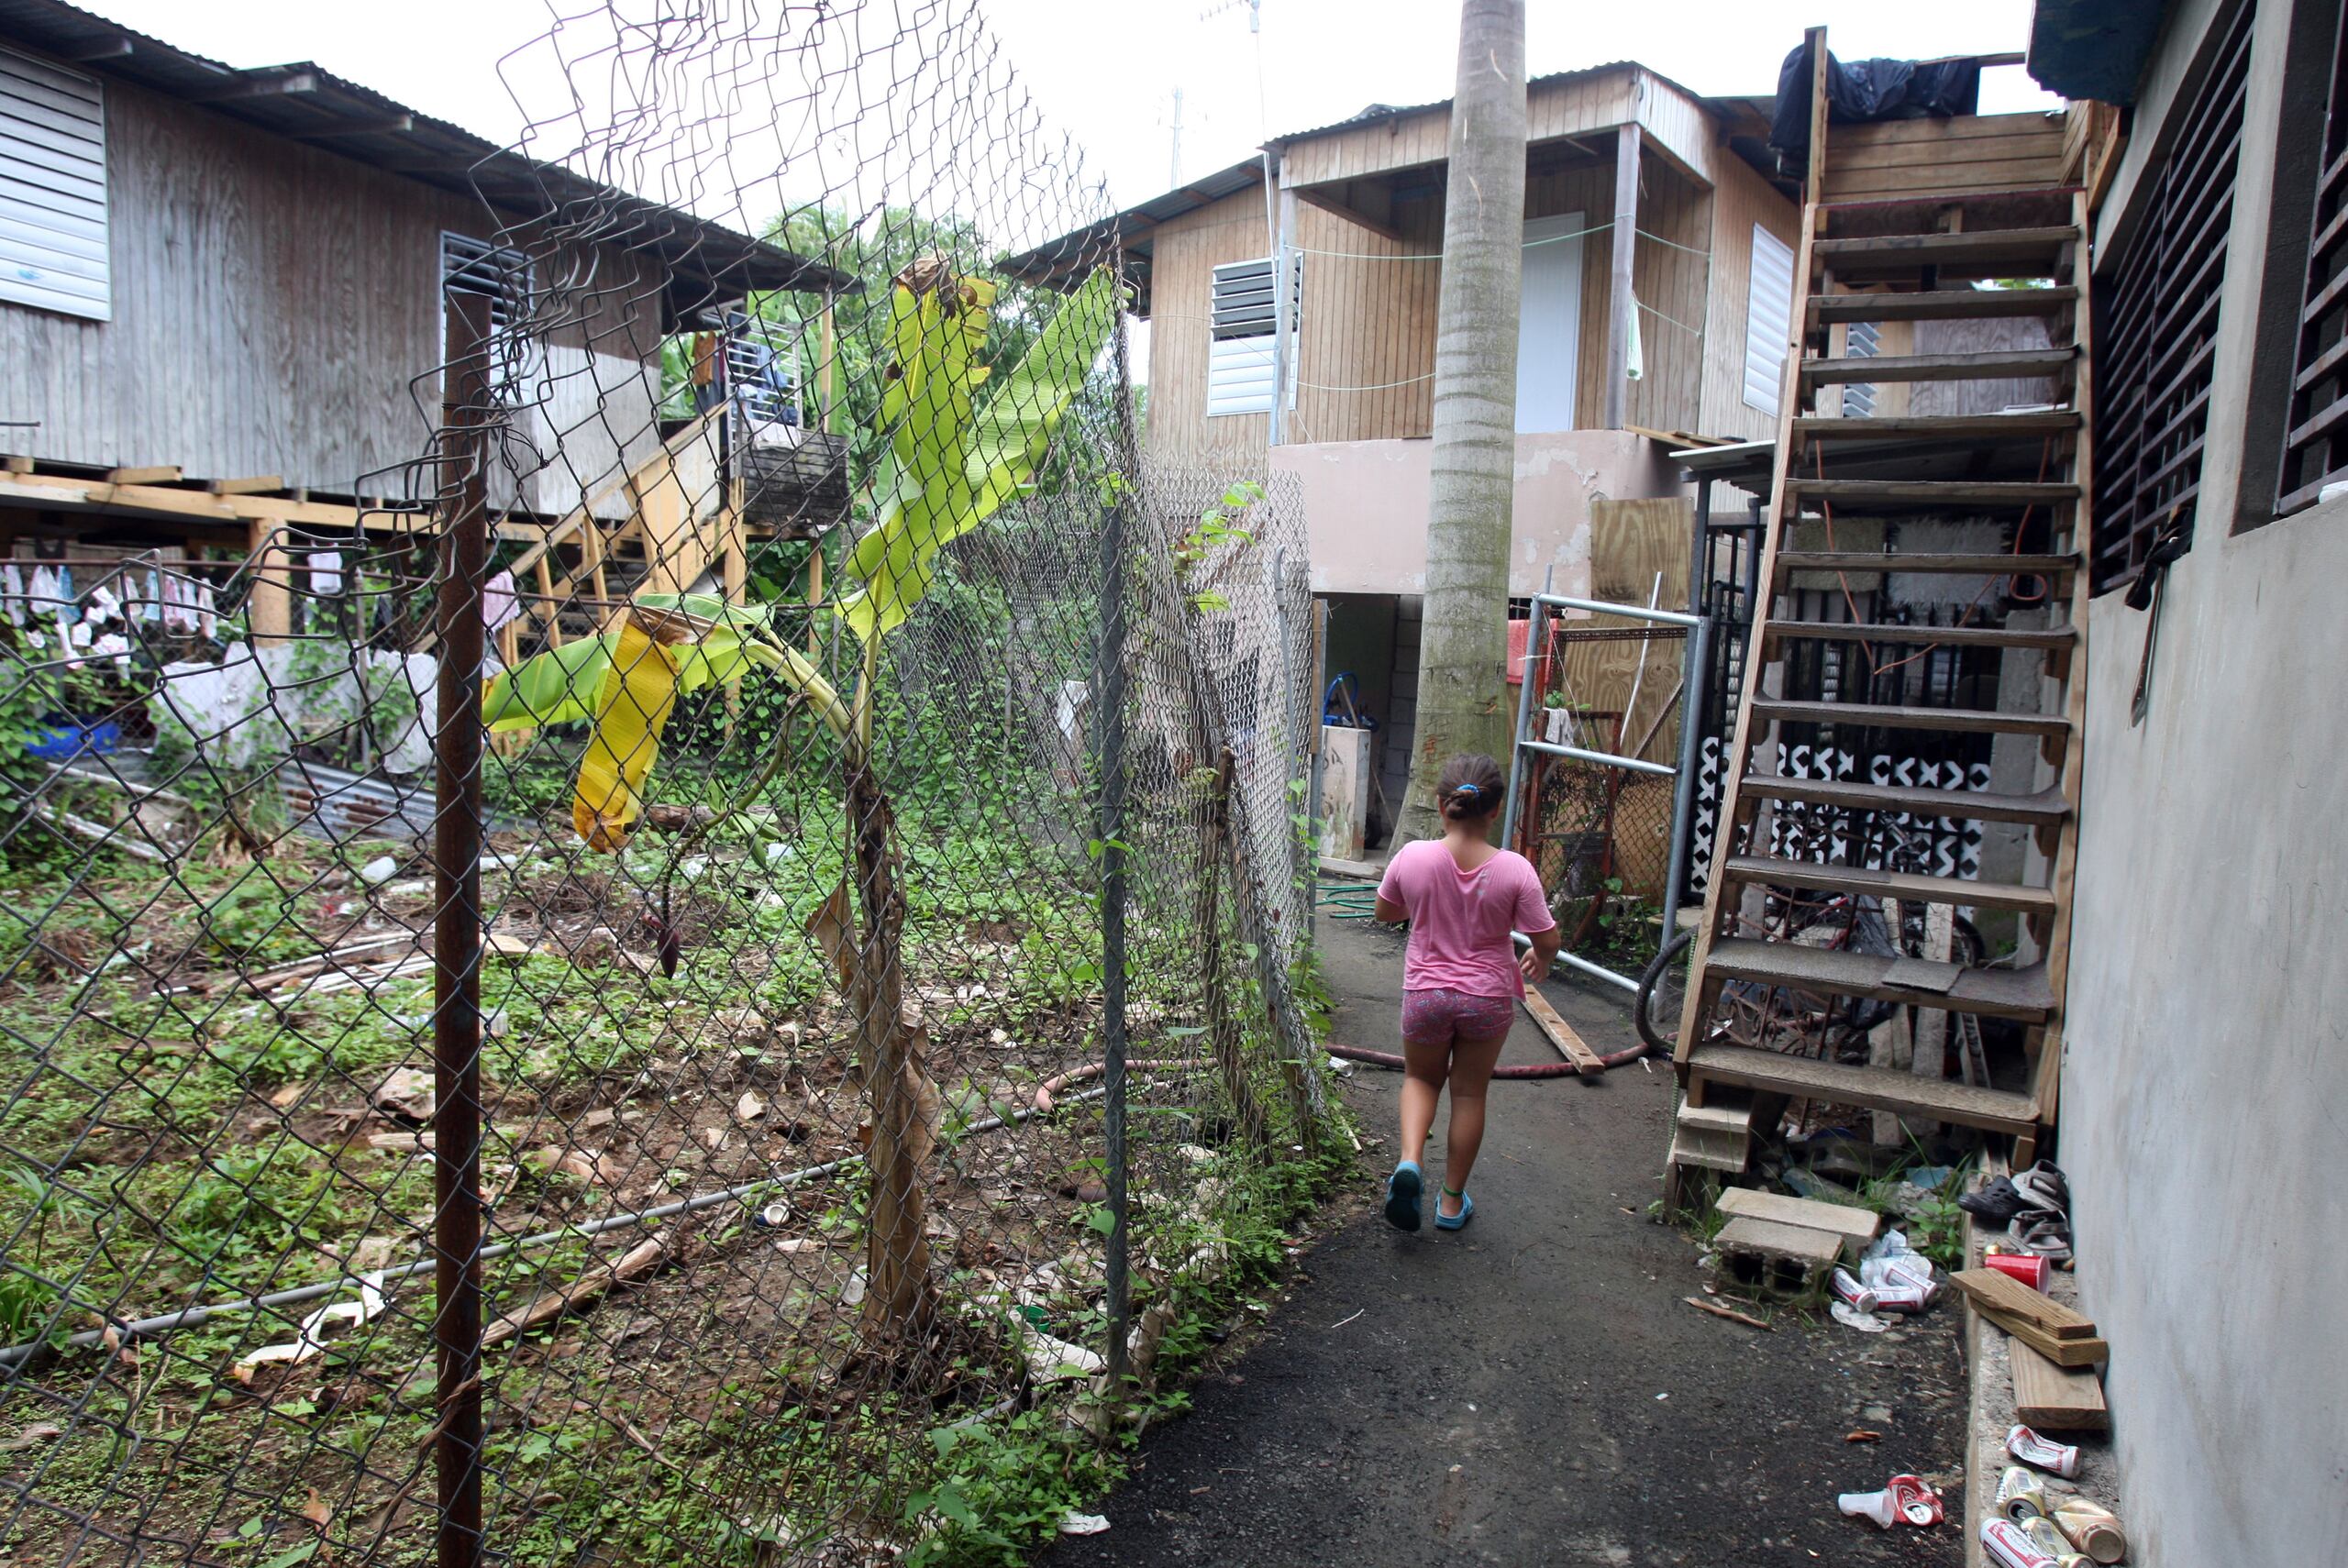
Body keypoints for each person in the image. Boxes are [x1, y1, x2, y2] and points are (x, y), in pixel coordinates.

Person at [1371, 754, 1560, 1231]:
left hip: (1427, 994)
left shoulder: (1412, 856)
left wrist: (1425, 907)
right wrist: (1542, 958)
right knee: (1470, 1093)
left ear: (1441, 805)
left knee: (1420, 1079)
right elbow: (1547, 937)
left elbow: (1385, 913)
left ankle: (1410, 1161)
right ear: (1496, 810)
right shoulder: (1516, 870)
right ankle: (1451, 1203)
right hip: (1486, 999)